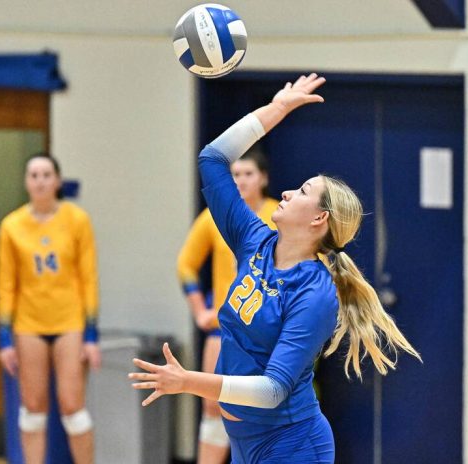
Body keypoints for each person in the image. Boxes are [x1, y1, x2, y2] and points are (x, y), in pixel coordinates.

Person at [129, 74, 420, 463]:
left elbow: (272, 390)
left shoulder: (315, 292)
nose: (286, 192)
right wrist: (276, 109)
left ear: (319, 219)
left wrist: (187, 381)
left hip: (290, 444)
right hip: (244, 440)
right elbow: (213, 159)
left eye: (302, 191)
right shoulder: (255, 241)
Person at [0, 153, 100, 464]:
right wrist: (4, 339)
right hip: (29, 324)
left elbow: (88, 278)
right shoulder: (11, 226)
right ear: (26, 182)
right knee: (32, 407)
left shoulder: (77, 220)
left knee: (73, 407)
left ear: (57, 181)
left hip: (69, 322)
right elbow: (6, 285)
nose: (40, 181)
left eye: (46, 175)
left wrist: (91, 335)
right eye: (34, 175)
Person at [177, 149, 279, 463]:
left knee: (261, 407)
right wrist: (199, 310)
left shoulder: (279, 215)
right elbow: (185, 265)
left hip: (264, 330)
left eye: (248, 173)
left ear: (263, 178)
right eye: (235, 174)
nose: (241, 180)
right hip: (224, 326)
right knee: (213, 404)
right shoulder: (214, 216)